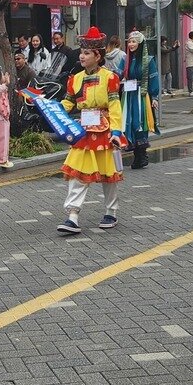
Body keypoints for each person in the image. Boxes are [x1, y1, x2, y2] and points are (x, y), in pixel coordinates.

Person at [56, 28, 123, 234]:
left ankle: (111, 211)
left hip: (105, 130)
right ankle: (72, 216)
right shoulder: (74, 78)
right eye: (81, 52)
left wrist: (117, 131)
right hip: (83, 132)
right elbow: (68, 103)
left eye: (86, 53)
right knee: (77, 174)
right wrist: (49, 108)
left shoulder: (110, 77)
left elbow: (114, 105)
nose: (82, 56)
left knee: (108, 174)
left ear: (98, 55)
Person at [121, 31, 160, 170]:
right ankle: (136, 154)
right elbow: (118, 75)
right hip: (128, 95)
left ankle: (141, 155)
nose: (131, 44)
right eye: (129, 42)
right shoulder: (125, 60)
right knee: (129, 123)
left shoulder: (149, 60)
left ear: (140, 43)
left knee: (140, 123)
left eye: (134, 42)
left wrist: (154, 97)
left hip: (141, 95)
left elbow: (153, 78)